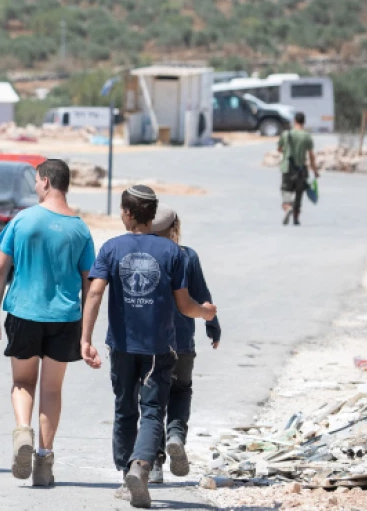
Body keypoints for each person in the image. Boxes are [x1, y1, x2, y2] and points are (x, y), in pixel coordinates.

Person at [80, 185, 217, 509]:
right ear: (152, 215)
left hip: (123, 345)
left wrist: (85, 338)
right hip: (159, 348)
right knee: (153, 409)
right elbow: (184, 306)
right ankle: (141, 466)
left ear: (126, 213)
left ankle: (126, 473)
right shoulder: (172, 252)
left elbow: (95, 293)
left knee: (125, 407)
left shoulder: (112, 248)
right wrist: (206, 313)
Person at [0, 159, 95, 486]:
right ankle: (44, 459)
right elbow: (91, 284)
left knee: (23, 382)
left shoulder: (23, 219)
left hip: (23, 313)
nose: (34, 186)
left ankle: (22, 434)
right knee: (51, 388)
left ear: (45, 181)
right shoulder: (80, 228)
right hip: (65, 317)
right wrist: (86, 334)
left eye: (36, 181)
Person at [146, 205, 222, 485]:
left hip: (148, 345)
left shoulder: (143, 257)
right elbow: (202, 296)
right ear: (175, 228)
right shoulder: (187, 256)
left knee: (152, 402)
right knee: (180, 390)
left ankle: (153, 463)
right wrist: (212, 324)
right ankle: (176, 435)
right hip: (182, 343)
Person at [278, 112, 319, 226]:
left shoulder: (286, 134)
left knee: (286, 191)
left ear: (294, 121)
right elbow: (311, 156)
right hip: (301, 170)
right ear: (304, 122)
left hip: (287, 168)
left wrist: (287, 152)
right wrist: (315, 171)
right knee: (299, 194)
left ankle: (287, 208)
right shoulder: (307, 136)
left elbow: (279, 149)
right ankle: (296, 218)